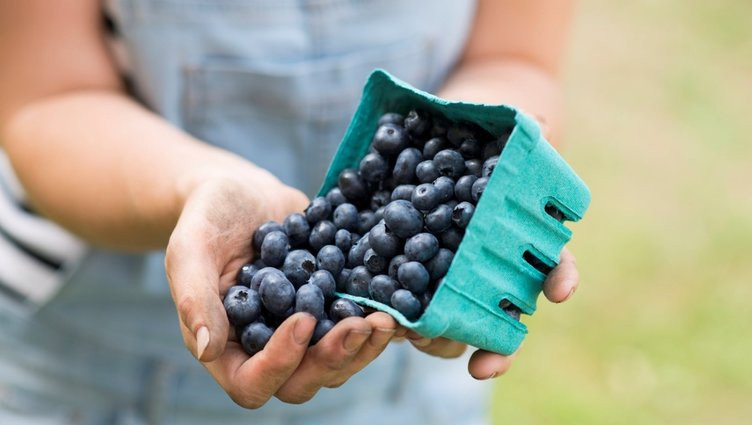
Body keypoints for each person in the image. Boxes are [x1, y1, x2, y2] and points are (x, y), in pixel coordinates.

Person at [0, 0, 579, 424]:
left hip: (403, 386)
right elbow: (47, 98)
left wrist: (500, 187)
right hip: (93, 364)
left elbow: (514, 56)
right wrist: (201, 186)